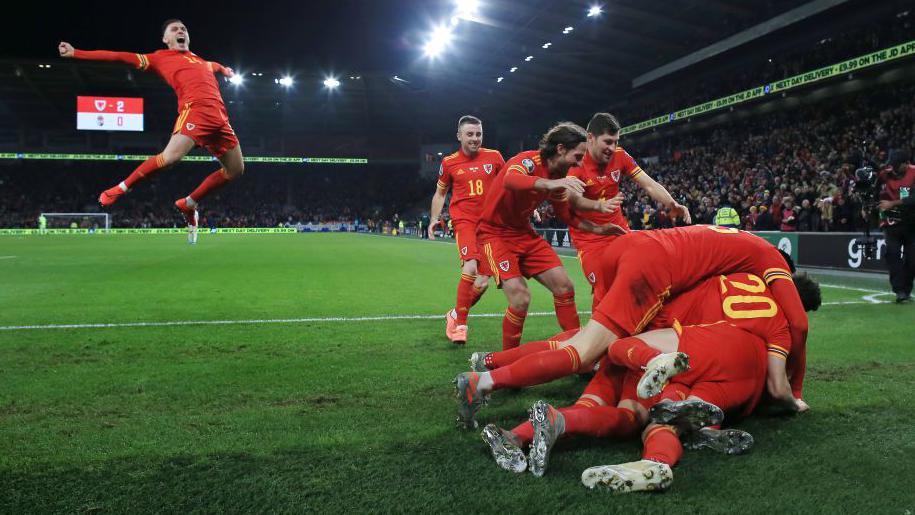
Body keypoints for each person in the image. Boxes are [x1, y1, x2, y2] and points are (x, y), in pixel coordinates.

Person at [454, 225, 810, 428]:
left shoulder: (737, 245)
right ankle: (482, 383)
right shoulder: (769, 259)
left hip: (632, 243)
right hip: (654, 269)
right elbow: (799, 322)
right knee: (586, 353)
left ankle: (491, 362)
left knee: (582, 342)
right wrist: (794, 388)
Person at [59, 19, 244, 244]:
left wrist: (225, 70)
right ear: (166, 39)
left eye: (183, 29)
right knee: (171, 157)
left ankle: (189, 203)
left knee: (235, 170)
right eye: (175, 30)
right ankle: (121, 187)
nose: (181, 31)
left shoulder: (201, 61)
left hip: (221, 120)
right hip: (195, 113)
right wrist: (77, 53)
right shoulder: (159, 58)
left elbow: (213, 66)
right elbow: (119, 57)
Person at [474, 122, 623, 353]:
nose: (580, 162)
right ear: (561, 149)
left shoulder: (561, 178)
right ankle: (507, 358)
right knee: (520, 298)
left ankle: (579, 350)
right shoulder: (528, 161)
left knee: (564, 286)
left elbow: (568, 217)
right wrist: (552, 184)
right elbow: (510, 181)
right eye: (578, 155)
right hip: (495, 234)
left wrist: (599, 229)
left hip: (524, 233)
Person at [568, 113, 690, 304]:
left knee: (643, 279)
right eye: (608, 142)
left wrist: (672, 204)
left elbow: (649, 184)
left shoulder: (620, 156)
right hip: (590, 240)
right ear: (590, 138)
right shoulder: (575, 163)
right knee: (606, 289)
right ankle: (599, 333)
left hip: (619, 232)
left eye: (616, 142)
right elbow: (572, 201)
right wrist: (598, 206)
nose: (612, 148)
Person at [428, 116, 505, 344]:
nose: (475, 139)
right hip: (465, 222)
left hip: (491, 225)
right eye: (470, 134)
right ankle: (461, 326)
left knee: (482, 283)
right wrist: (434, 218)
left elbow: (509, 183)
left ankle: (454, 314)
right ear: (459, 136)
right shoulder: (449, 163)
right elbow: (440, 193)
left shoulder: (495, 157)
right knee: (470, 267)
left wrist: (528, 207)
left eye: (478, 134)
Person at [877, 149, 915, 303]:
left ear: (906, 164)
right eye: (891, 165)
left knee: (913, 259)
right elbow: (870, 185)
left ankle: (906, 289)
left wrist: (892, 203)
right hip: (891, 222)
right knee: (892, 254)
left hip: (912, 223)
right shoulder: (885, 173)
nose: (892, 168)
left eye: (896, 165)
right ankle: (899, 290)